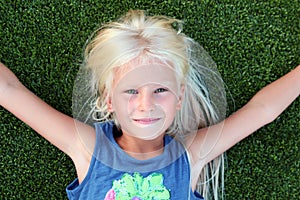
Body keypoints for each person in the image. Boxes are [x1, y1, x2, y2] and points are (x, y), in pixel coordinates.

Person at [0, 10, 299, 200]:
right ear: (109, 99)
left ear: (179, 97)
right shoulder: (89, 148)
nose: (147, 105)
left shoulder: (189, 156)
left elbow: (262, 111)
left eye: (160, 90)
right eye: (131, 90)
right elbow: (9, 90)